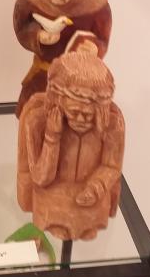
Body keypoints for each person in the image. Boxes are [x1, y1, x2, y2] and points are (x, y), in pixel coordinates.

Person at [17, 51, 125, 241]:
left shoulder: (112, 125)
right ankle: (59, 224)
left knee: (92, 216)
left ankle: (85, 225)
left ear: (100, 111)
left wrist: (96, 187)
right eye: (74, 112)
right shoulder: (37, 122)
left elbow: (111, 166)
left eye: (88, 114)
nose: (81, 119)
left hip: (92, 198)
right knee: (52, 206)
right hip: (51, 196)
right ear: (59, 102)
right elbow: (41, 178)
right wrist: (52, 137)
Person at [13, 0, 111, 117]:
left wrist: (95, 49)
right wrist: (38, 36)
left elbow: (103, 39)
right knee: (33, 118)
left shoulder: (96, 4)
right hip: (42, 76)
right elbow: (21, 27)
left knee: (69, 123)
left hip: (76, 84)